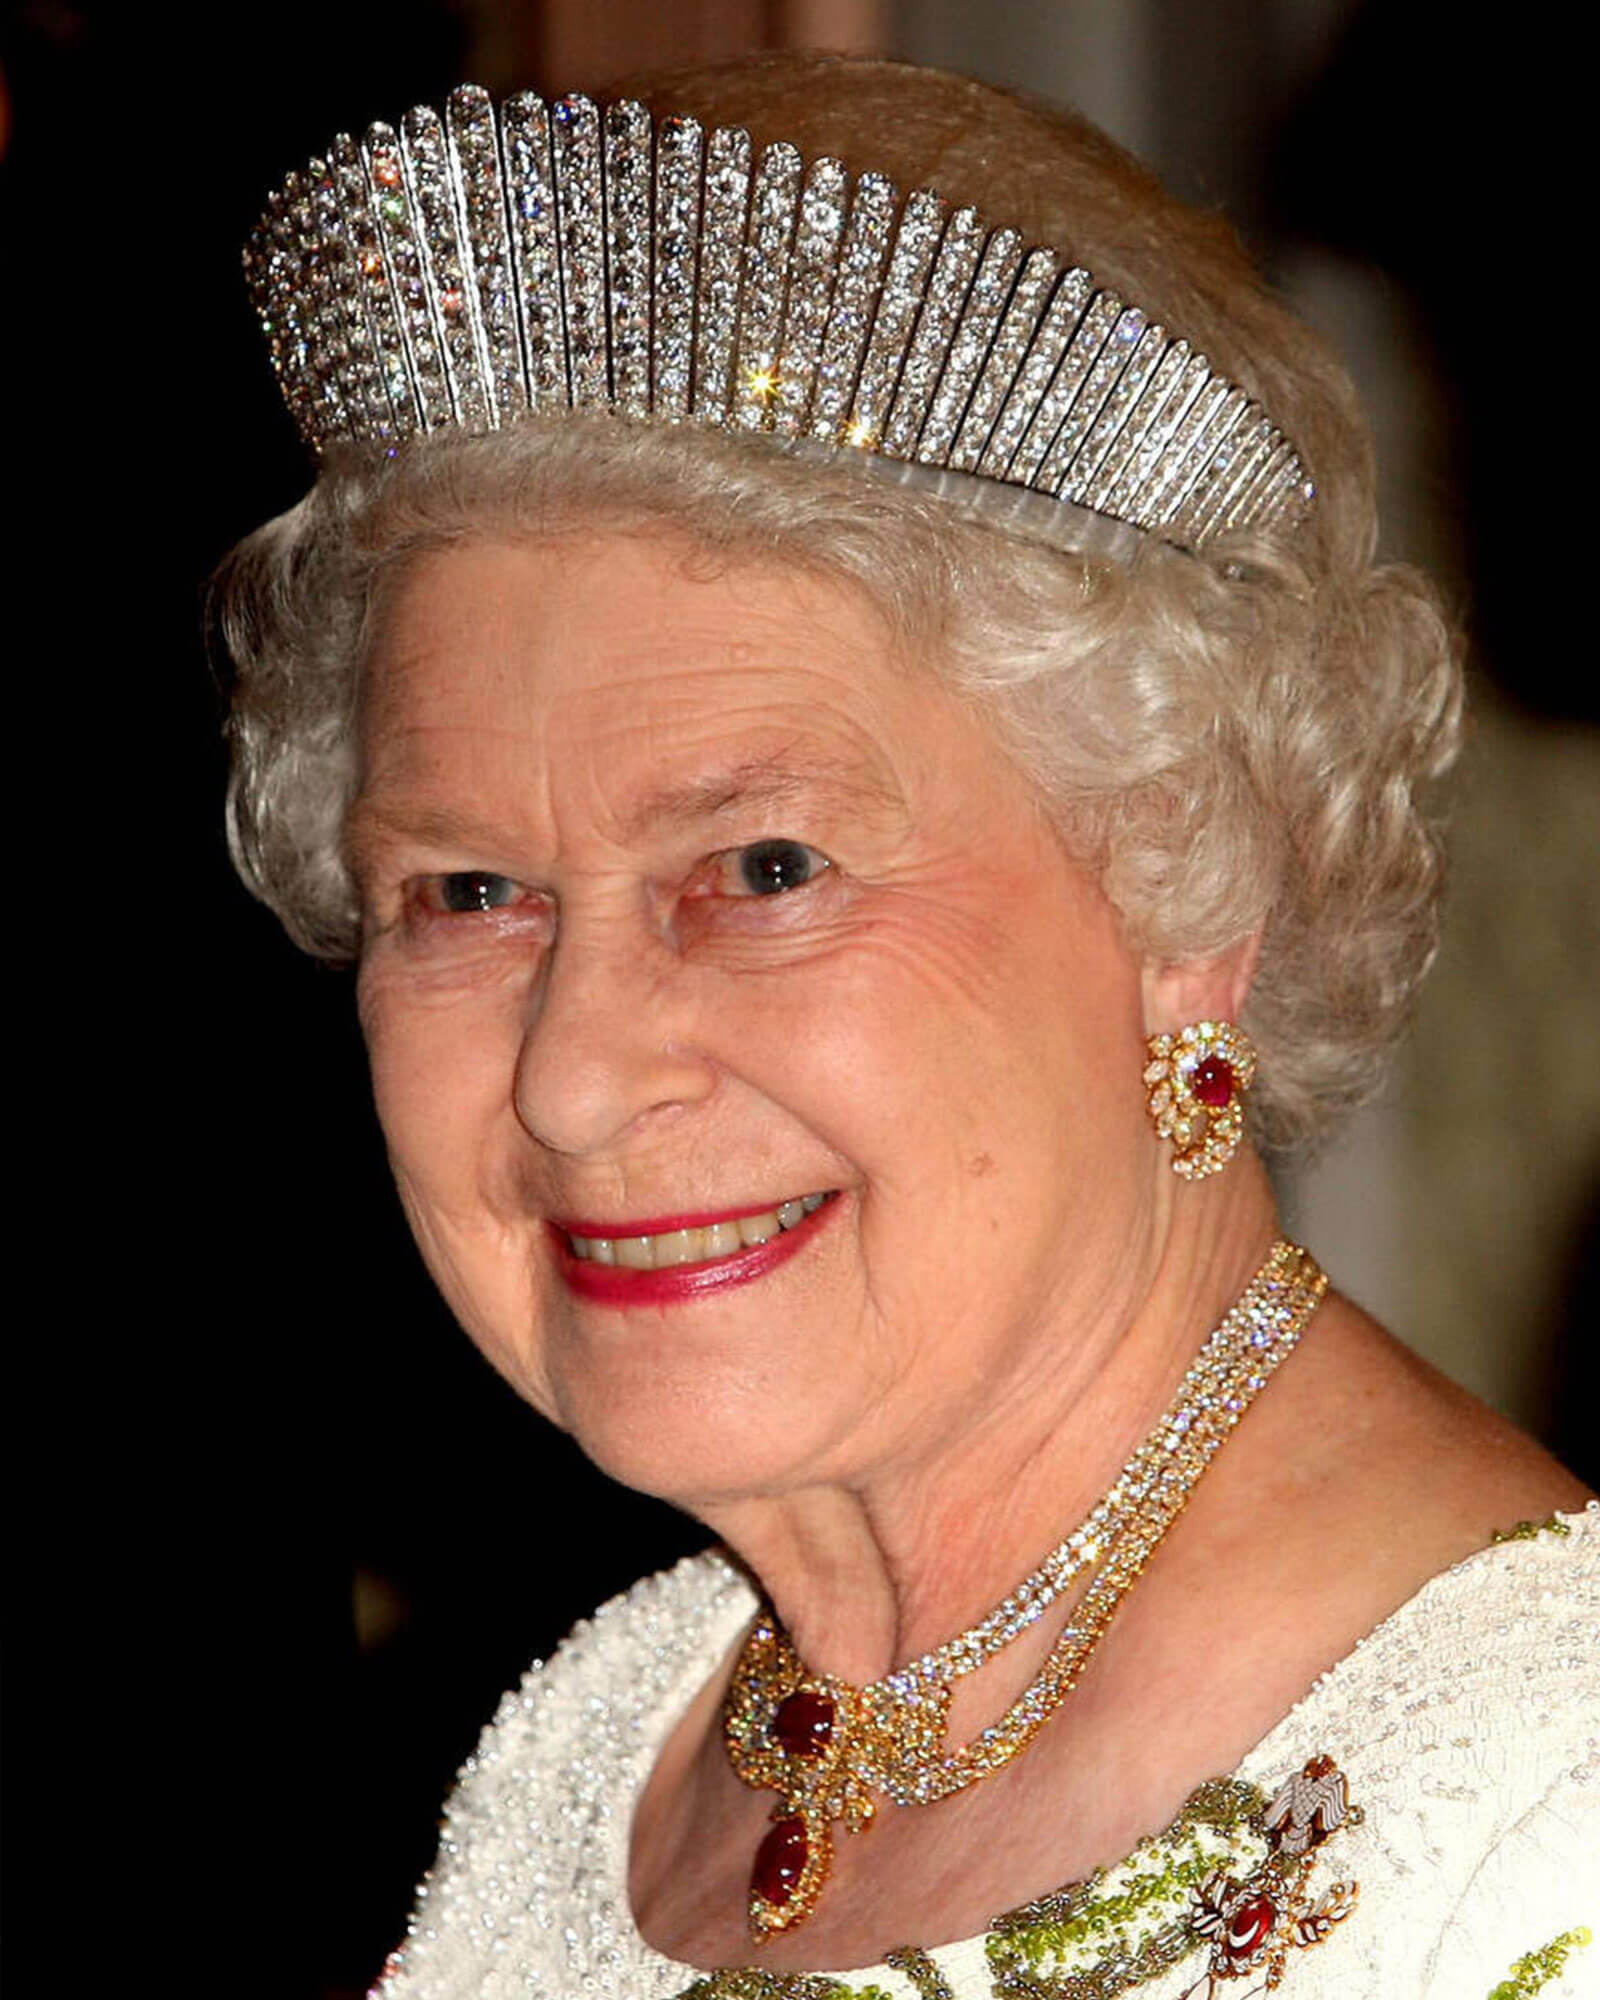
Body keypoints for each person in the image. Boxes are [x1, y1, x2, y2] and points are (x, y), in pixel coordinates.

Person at [217, 54, 1597, 2000]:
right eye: (464, 891)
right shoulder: (608, 1744)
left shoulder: (1546, 1813)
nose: (572, 1071)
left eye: (762, 866)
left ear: (1189, 890)